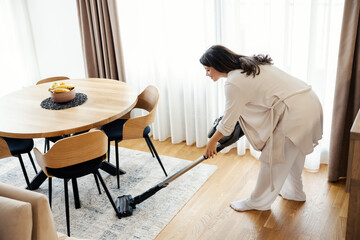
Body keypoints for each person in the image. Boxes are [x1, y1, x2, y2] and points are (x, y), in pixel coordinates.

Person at [200, 45, 323, 211]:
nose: (207, 74)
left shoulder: (234, 82)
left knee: (273, 158)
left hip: (296, 113)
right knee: (293, 154)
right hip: (310, 102)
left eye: (208, 70)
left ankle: (257, 202)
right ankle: (294, 192)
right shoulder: (251, 64)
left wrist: (212, 142)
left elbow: (228, 123)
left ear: (218, 64)